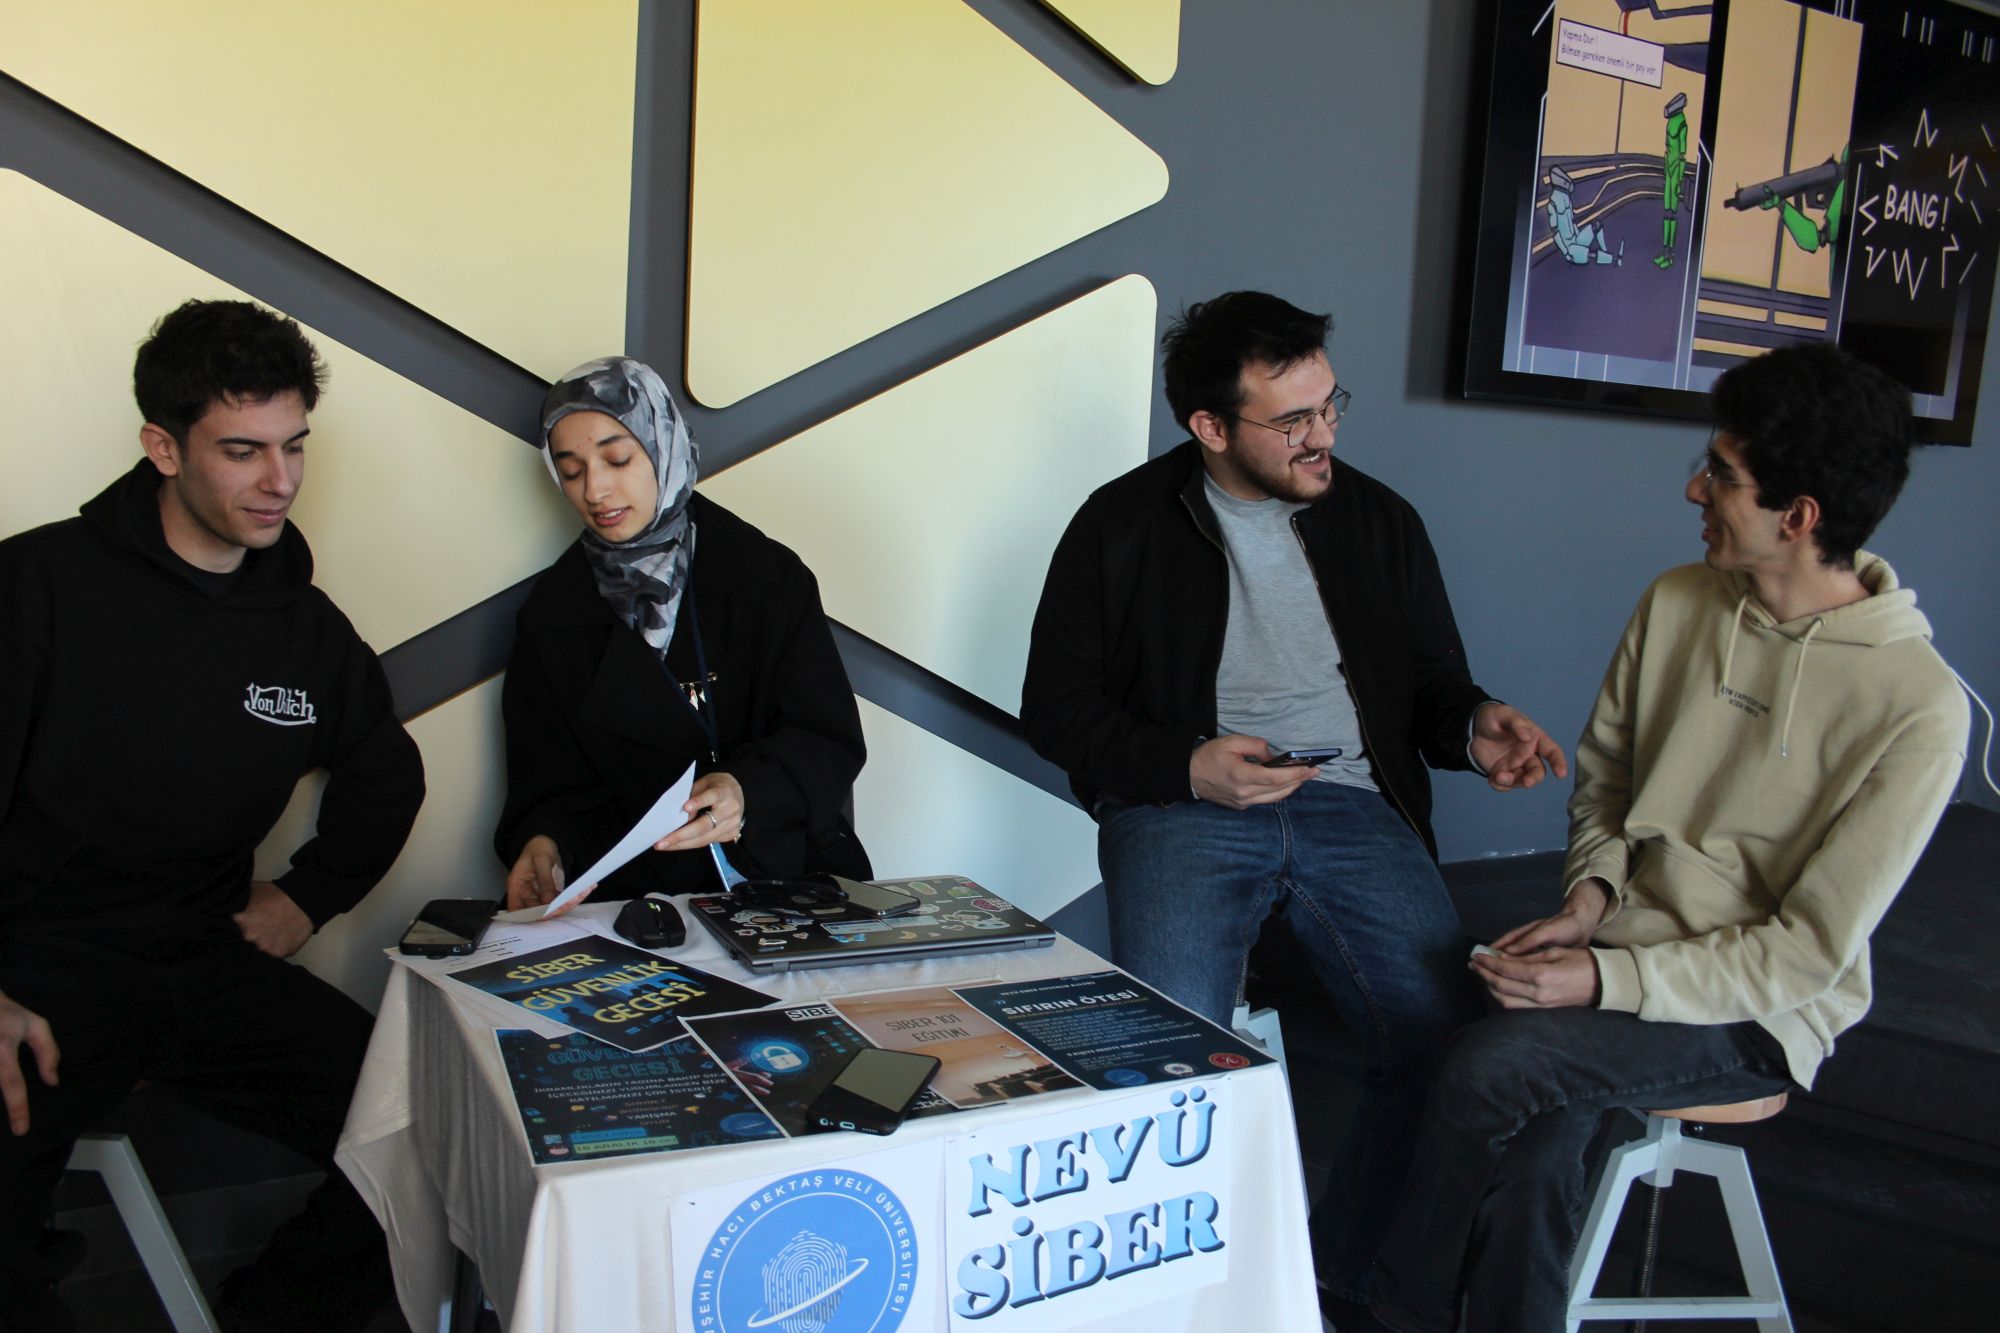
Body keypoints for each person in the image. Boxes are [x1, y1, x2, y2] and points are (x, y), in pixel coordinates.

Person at [1370, 342, 1969, 1333]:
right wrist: (1590, 901)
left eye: (1720, 475)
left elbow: (1803, 955)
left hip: (1756, 1010)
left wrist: (1602, 979)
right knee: (1529, 1132)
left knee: (1492, 1067)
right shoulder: (1677, 599)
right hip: (1623, 949)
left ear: (1798, 516)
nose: (1694, 488)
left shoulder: (1919, 707)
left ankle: (1390, 1311)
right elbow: (1606, 781)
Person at [1018, 291, 1567, 1308]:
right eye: (1292, 420)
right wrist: (1187, 765)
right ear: (1210, 426)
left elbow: (1430, 687)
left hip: (1351, 803)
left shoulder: (1379, 521)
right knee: (1166, 1060)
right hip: (1182, 810)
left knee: (1447, 1047)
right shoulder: (1119, 524)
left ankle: (1332, 1289)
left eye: (1329, 405)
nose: (1324, 437)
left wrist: (1471, 725)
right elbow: (1055, 710)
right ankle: (1175, 1305)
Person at [0, 300, 426, 1332]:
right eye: (242, 451)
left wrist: (308, 896)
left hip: (203, 960)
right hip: (38, 968)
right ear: (163, 448)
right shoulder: (36, 586)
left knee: (426, 1134)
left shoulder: (305, 628)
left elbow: (386, 777)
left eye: (294, 445)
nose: (280, 479)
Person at [496, 357, 869, 912]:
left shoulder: (764, 579)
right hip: (628, 903)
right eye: (571, 471)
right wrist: (544, 844)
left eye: (617, 459)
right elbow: (547, 784)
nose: (595, 489)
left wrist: (745, 790)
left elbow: (826, 739)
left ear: (662, 445)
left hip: (783, 878)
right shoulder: (552, 616)